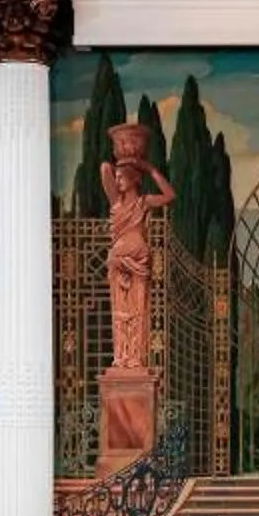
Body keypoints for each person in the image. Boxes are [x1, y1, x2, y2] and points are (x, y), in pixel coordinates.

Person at [102, 121, 177, 371]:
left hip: (138, 262)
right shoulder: (117, 205)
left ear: (134, 180)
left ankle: (134, 357)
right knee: (120, 314)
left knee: (138, 312)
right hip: (118, 263)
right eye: (118, 178)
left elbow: (169, 196)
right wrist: (122, 160)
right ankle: (121, 356)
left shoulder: (143, 203)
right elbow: (104, 170)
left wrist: (148, 168)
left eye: (122, 178)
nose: (118, 181)